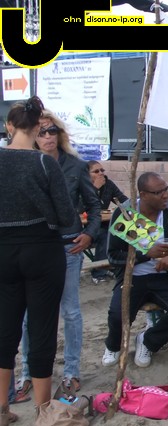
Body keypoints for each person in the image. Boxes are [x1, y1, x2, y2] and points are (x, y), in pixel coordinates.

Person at [16, 110, 102, 396]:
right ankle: (27, 373)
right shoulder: (26, 163)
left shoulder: (75, 165)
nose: (48, 136)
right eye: (41, 132)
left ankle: (71, 372)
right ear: (32, 135)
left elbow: (94, 204)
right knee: (28, 314)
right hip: (34, 245)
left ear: (60, 134)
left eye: (52, 130)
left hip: (68, 245)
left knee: (71, 310)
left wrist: (89, 234)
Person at [0, 96, 74, 426]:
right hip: (42, 248)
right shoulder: (44, 163)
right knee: (42, 328)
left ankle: (1, 408)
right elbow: (66, 216)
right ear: (37, 128)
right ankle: (43, 411)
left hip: (3, 249)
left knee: (5, 328)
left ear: (9, 126)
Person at [103, 172, 168, 369]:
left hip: (163, 277)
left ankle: (147, 341)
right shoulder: (126, 214)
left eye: (166, 189)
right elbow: (113, 256)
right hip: (132, 277)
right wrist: (146, 254)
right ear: (143, 195)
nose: (165, 195)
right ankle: (113, 346)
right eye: (158, 192)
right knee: (117, 315)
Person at [87, 160, 128, 284]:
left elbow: (123, 201)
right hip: (87, 227)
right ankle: (98, 273)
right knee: (105, 235)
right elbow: (79, 207)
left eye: (102, 170)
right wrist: (94, 189)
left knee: (126, 230)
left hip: (104, 222)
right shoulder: (83, 186)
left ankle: (119, 266)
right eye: (96, 171)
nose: (101, 173)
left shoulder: (108, 184)